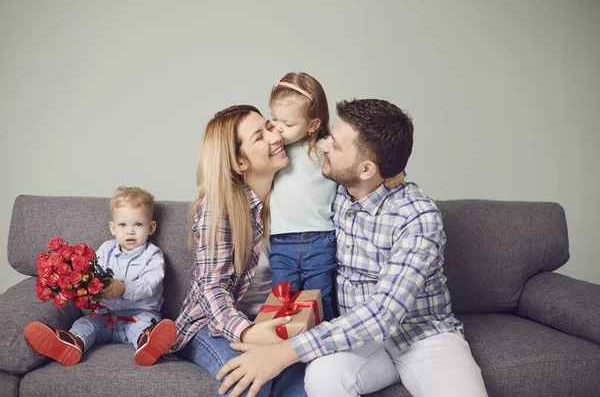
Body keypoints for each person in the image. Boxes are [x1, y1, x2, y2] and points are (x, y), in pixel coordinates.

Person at [216, 99, 488, 397]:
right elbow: (264, 162)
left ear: (367, 169)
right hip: (356, 342)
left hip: (422, 336)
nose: (323, 147)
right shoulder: (338, 193)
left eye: (335, 144)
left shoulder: (418, 217)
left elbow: (382, 314)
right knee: (322, 377)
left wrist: (284, 352)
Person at [169, 105, 306, 397]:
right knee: (248, 377)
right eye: (259, 137)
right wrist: (247, 332)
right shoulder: (217, 209)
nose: (275, 136)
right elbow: (211, 288)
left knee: (304, 386)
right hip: (210, 324)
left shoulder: (293, 193)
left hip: (267, 323)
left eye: (269, 127)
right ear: (240, 161)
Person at [24, 186, 176, 367]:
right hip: (105, 318)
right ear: (113, 228)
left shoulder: (153, 255)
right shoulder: (106, 250)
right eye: (123, 225)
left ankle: (147, 345)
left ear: (151, 228)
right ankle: (72, 343)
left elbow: (150, 284)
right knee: (84, 324)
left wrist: (123, 287)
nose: (130, 231)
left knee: (145, 326)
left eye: (138, 224)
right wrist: (77, 280)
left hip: (139, 315)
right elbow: (91, 272)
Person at [268, 72, 337, 321]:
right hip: (281, 241)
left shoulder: (326, 148)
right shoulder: (273, 150)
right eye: (274, 119)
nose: (278, 128)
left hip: (319, 239)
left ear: (313, 124)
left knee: (320, 299)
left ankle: (326, 349)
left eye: (288, 124)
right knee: (282, 300)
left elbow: (364, 158)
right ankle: (285, 347)